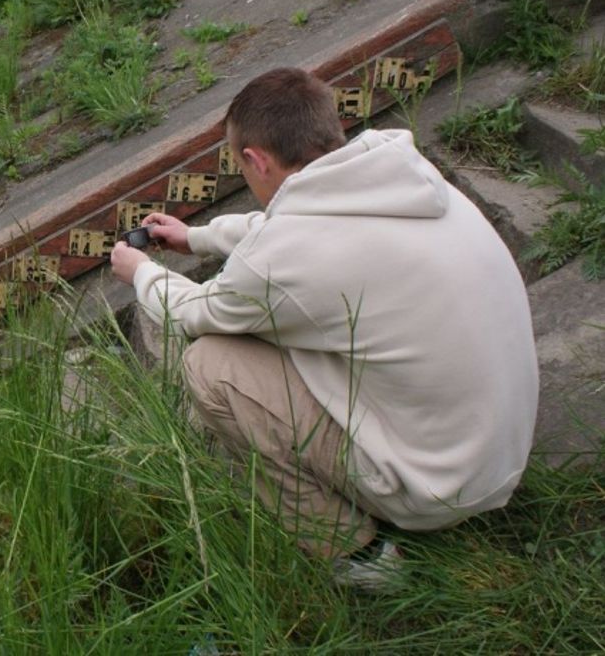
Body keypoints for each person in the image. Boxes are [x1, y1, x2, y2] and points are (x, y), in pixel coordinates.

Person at [109, 67, 538, 588]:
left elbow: (193, 311)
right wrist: (197, 237)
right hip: (500, 451)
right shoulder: (398, 175)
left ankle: (362, 557)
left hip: (440, 487)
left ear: (255, 160)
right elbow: (292, 226)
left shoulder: (286, 259)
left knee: (211, 366)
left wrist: (141, 272)